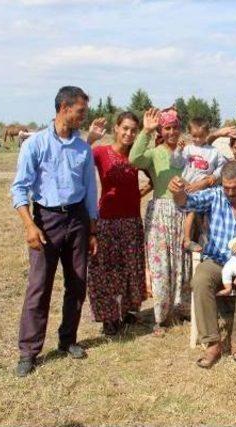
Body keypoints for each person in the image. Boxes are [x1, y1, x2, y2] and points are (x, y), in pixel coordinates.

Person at [10, 86, 97, 377]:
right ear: (64, 108)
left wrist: (92, 228)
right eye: (80, 111)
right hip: (46, 221)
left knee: (77, 282)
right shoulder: (35, 145)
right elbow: (19, 188)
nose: (83, 116)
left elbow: (89, 192)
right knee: (39, 287)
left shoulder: (83, 148)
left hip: (77, 219)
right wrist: (29, 225)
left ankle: (67, 339)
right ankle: (29, 351)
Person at [168, 161, 236, 368]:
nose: (229, 192)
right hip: (217, 261)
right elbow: (186, 203)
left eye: (235, 188)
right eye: (226, 187)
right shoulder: (215, 195)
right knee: (200, 279)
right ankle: (212, 343)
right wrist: (177, 192)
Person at [85, 112, 153, 336]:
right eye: (125, 128)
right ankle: (109, 318)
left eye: (134, 130)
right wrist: (89, 139)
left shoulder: (137, 156)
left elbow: (155, 176)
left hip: (132, 220)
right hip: (107, 221)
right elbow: (79, 160)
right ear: (116, 128)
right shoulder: (101, 152)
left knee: (129, 269)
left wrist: (140, 193)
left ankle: (125, 312)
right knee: (107, 270)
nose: (129, 133)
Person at [129, 107, 192, 337]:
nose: (172, 131)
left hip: (183, 212)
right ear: (161, 130)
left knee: (182, 262)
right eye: (167, 128)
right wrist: (146, 131)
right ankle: (160, 316)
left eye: (175, 127)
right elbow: (134, 159)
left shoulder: (187, 153)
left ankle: (182, 307)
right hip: (160, 213)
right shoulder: (155, 154)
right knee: (160, 264)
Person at [171, 118, 227, 252]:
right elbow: (174, 163)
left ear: (207, 134)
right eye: (194, 136)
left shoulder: (214, 151)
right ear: (189, 134)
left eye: (201, 136)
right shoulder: (187, 149)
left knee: (201, 213)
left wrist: (213, 176)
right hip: (187, 185)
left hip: (203, 188)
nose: (197, 139)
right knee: (192, 211)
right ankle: (187, 239)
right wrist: (178, 149)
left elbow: (223, 166)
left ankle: (202, 239)